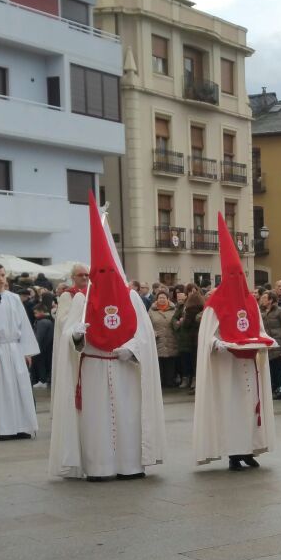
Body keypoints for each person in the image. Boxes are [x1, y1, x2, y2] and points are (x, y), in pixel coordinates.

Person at [49, 193, 166, 481]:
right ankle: (98, 467)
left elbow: (144, 335)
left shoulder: (133, 298)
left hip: (125, 366)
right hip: (93, 367)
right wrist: (75, 336)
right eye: (96, 273)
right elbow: (68, 336)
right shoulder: (81, 300)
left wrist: (132, 348)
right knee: (95, 420)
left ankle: (130, 465)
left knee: (128, 417)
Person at [193, 213, 277, 471]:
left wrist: (264, 340)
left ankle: (250, 449)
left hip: (249, 363)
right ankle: (233, 453)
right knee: (232, 409)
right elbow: (207, 337)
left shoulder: (251, 301)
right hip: (227, 368)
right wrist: (219, 345)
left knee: (252, 407)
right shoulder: (215, 304)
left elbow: (258, 328)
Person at [0, 264, 39, 441]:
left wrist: (26, 351)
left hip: (14, 348)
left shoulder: (13, 298)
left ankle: (22, 426)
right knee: (1, 391)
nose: (1, 279)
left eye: (3, 275)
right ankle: (5, 428)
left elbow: (24, 325)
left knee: (20, 389)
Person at [261, 291, 281, 399]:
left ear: (270, 300)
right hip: (266, 341)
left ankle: (279, 387)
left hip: (277, 341)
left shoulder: (279, 311)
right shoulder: (262, 311)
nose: (262, 300)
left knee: (277, 366)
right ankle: (271, 387)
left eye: (264, 298)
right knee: (269, 366)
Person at [149, 293, 179, 388]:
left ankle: (170, 381)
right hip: (158, 339)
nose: (162, 299)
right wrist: (152, 331)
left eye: (164, 298)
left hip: (171, 338)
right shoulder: (151, 311)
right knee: (159, 362)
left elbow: (177, 323)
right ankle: (160, 382)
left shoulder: (174, 310)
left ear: (168, 299)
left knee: (170, 361)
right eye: (160, 298)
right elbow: (147, 324)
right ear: (156, 299)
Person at [30, 304, 54, 387]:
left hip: (41, 348)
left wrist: (34, 347)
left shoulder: (42, 322)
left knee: (40, 364)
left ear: (41, 312)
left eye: (36, 313)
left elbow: (39, 337)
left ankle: (42, 380)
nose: (35, 315)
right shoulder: (49, 320)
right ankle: (43, 380)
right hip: (47, 347)